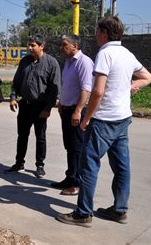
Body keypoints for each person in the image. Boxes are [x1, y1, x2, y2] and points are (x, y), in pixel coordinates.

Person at [56, 16, 151, 227]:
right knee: (122, 166)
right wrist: (131, 85)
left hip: (103, 120)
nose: (95, 35)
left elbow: (98, 91)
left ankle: (83, 213)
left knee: (88, 165)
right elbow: (148, 77)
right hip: (122, 119)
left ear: (104, 33)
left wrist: (86, 119)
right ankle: (119, 210)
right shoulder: (127, 54)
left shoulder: (105, 54)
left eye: (97, 31)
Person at [5, 35, 61, 178]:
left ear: (42, 46)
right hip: (25, 105)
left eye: (33, 45)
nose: (29, 48)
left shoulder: (51, 63)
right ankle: (19, 163)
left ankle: (40, 165)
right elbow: (16, 81)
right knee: (22, 135)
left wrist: (48, 109)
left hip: (40, 107)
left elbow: (54, 90)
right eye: (29, 45)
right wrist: (13, 98)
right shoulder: (25, 61)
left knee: (40, 137)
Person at [52, 35, 94, 195]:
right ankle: (70, 177)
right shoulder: (69, 62)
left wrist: (77, 111)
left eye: (64, 45)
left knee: (77, 148)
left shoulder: (84, 62)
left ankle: (77, 183)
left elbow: (86, 89)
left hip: (77, 111)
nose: (61, 48)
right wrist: (62, 103)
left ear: (75, 45)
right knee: (69, 146)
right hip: (67, 110)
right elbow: (67, 86)